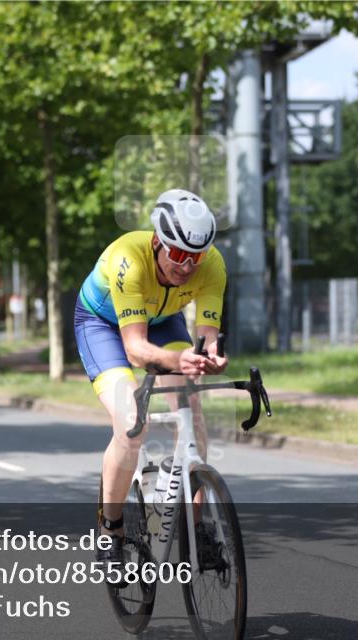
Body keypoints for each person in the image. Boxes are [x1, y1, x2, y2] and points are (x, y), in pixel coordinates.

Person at [74, 189, 228, 574]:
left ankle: (197, 527)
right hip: (103, 326)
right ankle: (110, 531)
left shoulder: (213, 265)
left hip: (162, 322)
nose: (187, 266)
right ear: (158, 241)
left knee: (191, 411)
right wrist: (179, 359)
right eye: (177, 253)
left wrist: (211, 356)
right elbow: (136, 350)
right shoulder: (129, 258)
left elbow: (207, 337)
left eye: (196, 256)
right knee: (131, 424)